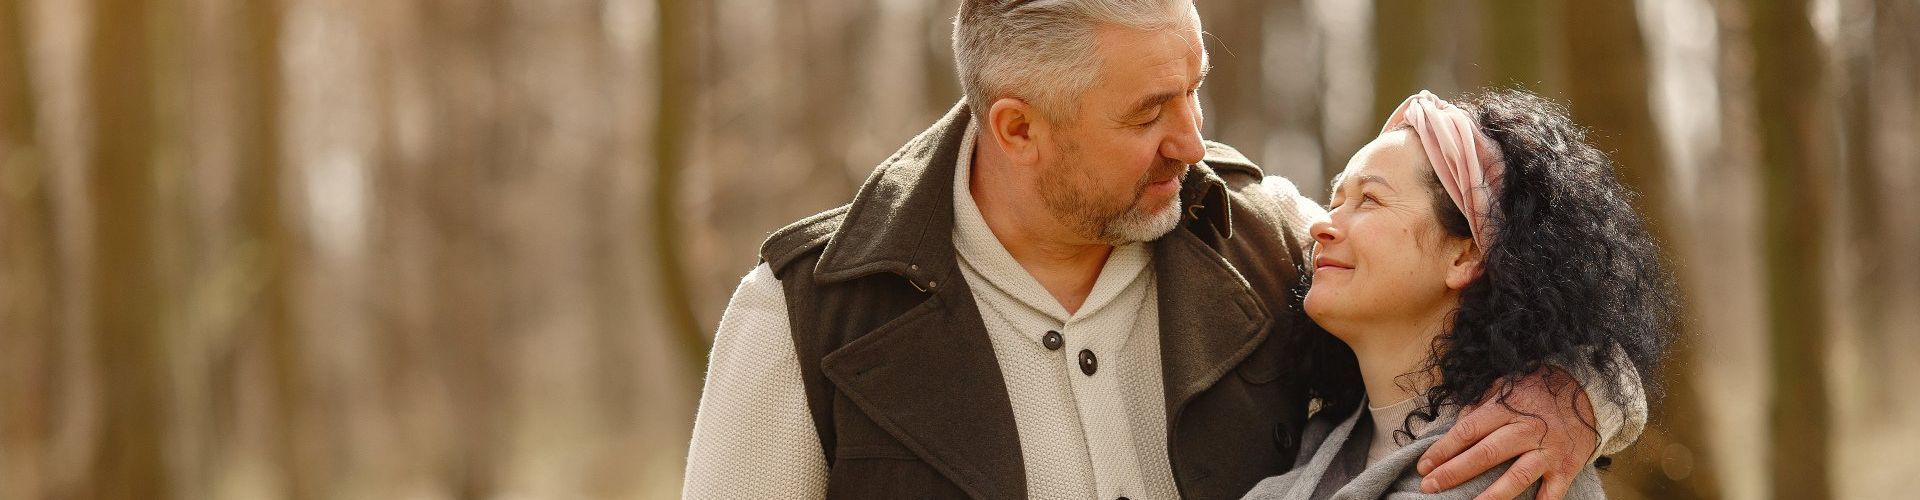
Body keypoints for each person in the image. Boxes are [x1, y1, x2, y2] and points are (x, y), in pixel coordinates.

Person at [683, 1, 1646, 498]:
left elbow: (1483, 284)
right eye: (1149, 111)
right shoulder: (805, 318)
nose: (1192, 139)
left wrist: (1579, 393)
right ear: (1019, 129)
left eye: (1194, 87)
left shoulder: (1262, 233)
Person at [1242, 89, 1673, 499]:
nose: (1321, 224)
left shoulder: (1512, 460)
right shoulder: (1317, 446)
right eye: (1335, 202)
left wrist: (1592, 391)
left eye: (1369, 199)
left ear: (1464, 256)